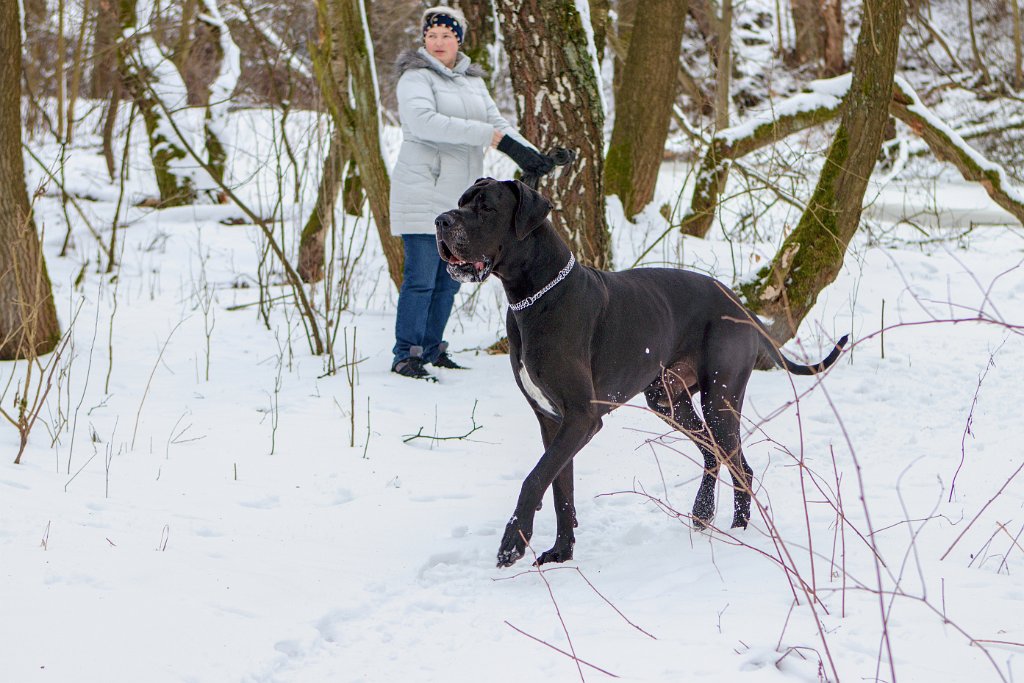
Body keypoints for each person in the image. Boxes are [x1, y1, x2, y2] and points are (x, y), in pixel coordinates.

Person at [389, 5, 556, 381]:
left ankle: (432, 348)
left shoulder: (471, 82)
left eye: (446, 35)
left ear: (459, 39)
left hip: (459, 201)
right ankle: (407, 354)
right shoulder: (415, 78)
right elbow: (424, 122)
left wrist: (529, 152)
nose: (438, 42)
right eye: (431, 35)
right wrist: (489, 137)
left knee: (450, 277)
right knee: (420, 278)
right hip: (422, 189)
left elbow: (496, 123)